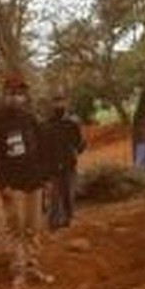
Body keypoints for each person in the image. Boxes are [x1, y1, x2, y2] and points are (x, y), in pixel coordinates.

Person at [0, 74, 48, 287]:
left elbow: (40, 148)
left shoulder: (29, 118)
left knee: (33, 227)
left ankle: (33, 267)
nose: (16, 97)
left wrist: (44, 178)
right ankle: (19, 271)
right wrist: (3, 184)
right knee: (15, 229)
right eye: (12, 93)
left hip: (33, 182)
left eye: (20, 93)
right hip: (11, 185)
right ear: (5, 95)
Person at [41, 93, 85, 230]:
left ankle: (67, 222)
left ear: (66, 105)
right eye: (56, 102)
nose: (59, 106)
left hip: (68, 165)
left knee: (68, 195)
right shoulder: (45, 126)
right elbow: (41, 148)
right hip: (51, 168)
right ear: (51, 105)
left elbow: (79, 144)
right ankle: (54, 225)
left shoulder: (72, 124)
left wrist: (77, 148)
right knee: (54, 197)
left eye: (61, 102)